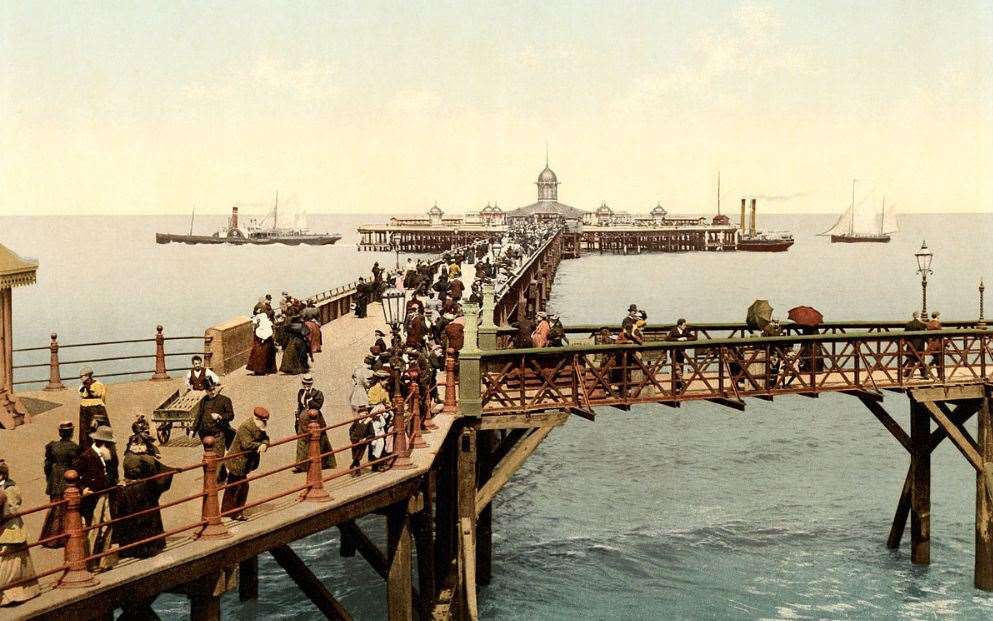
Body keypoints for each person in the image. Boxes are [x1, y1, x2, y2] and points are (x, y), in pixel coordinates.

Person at [112, 435, 176, 559]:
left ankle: (129, 549)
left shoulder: (128, 456)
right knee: (147, 518)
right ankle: (148, 547)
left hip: (128, 489)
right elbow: (155, 472)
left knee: (131, 519)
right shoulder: (146, 458)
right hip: (142, 490)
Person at [74, 426, 119, 567]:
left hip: (106, 493)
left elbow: (111, 473)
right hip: (94, 496)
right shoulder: (87, 456)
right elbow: (74, 475)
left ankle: (104, 559)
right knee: (94, 526)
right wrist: (83, 489)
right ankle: (90, 560)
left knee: (108, 523)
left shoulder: (107, 455)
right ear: (102, 442)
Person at [0, 462, 39, 606]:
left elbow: (12, 509)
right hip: (5, 527)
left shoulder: (9, 488)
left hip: (10, 527)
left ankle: (12, 595)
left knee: (10, 564)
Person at [221, 407, 270, 521]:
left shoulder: (259, 426)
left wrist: (265, 444)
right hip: (237, 461)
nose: (264, 424)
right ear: (256, 418)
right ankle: (236, 513)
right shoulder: (246, 427)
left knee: (233, 486)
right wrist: (259, 445)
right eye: (263, 421)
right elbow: (246, 444)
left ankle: (227, 511)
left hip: (243, 462)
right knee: (241, 486)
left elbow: (265, 437)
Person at [40, 421, 80, 548]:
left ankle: (50, 537)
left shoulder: (53, 446)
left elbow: (47, 464)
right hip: (66, 475)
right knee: (66, 506)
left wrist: (49, 477)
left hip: (54, 476)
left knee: (54, 504)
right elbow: (76, 464)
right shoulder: (73, 447)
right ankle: (62, 537)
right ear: (71, 433)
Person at [191, 381, 235, 481]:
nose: (213, 392)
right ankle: (222, 475)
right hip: (205, 435)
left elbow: (231, 415)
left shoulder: (225, 400)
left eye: (214, 389)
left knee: (217, 457)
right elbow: (199, 416)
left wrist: (220, 416)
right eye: (210, 390)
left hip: (218, 434)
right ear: (206, 391)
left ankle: (213, 482)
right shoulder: (204, 401)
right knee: (211, 457)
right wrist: (193, 429)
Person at [294, 375, 335, 472]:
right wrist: (297, 416)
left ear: (311, 383)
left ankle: (324, 462)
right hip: (303, 419)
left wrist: (310, 398)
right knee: (302, 441)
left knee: (320, 440)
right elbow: (300, 404)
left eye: (308, 384)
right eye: (304, 384)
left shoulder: (318, 393)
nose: (306, 386)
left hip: (315, 419)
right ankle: (301, 465)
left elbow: (318, 406)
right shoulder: (301, 392)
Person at [78, 367, 109, 451]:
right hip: (85, 407)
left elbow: (99, 394)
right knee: (85, 428)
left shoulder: (98, 384)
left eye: (82, 376)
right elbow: (81, 394)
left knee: (98, 425)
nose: (81, 378)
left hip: (96, 407)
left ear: (88, 376)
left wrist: (89, 389)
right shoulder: (82, 386)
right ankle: (86, 446)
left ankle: (102, 444)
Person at [667, 319, 695, 392]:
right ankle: (679, 385)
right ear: (679, 325)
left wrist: (686, 338)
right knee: (676, 369)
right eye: (684, 325)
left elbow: (694, 337)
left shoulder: (685, 331)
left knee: (681, 368)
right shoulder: (674, 330)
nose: (685, 326)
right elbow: (668, 338)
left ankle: (679, 386)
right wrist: (678, 339)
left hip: (681, 353)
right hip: (674, 353)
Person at [902, 311, 929, 378]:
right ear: (919, 316)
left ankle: (908, 373)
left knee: (911, 360)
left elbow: (905, 336)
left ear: (913, 316)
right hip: (920, 345)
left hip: (911, 345)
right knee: (921, 359)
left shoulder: (908, 324)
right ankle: (924, 373)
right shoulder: (922, 325)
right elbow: (925, 336)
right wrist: (928, 342)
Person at [348, 405, 373, 476]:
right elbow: (351, 429)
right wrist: (352, 436)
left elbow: (372, 434)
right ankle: (357, 471)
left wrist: (365, 439)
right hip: (355, 440)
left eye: (365, 413)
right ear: (359, 414)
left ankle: (352, 466)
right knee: (355, 455)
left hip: (362, 441)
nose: (364, 415)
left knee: (358, 456)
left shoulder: (368, 423)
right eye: (362, 413)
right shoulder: (356, 421)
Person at [926, 311, 943, 378]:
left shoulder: (929, 324)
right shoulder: (937, 324)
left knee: (935, 359)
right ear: (937, 316)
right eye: (939, 315)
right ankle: (940, 375)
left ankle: (927, 371)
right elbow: (941, 333)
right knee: (938, 359)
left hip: (930, 344)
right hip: (937, 344)